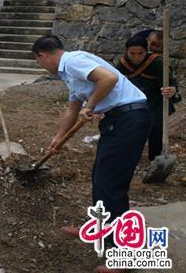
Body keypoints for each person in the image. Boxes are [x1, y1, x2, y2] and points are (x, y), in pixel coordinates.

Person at [32, 35, 149, 273]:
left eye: (39, 62)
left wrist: (91, 105)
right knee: (99, 178)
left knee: (111, 186)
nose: (42, 66)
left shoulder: (74, 60)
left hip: (129, 119)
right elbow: (72, 109)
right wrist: (59, 138)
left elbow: (110, 78)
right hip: (117, 122)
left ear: (42, 55)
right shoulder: (69, 73)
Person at [115, 35, 180, 161]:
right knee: (134, 127)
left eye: (140, 53)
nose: (136, 57)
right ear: (126, 52)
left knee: (156, 129)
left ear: (147, 51)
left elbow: (171, 83)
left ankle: (154, 159)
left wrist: (171, 89)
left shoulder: (157, 62)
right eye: (132, 53)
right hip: (136, 99)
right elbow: (116, 82)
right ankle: (130, 157)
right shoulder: (123, 63)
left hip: (157, 99)